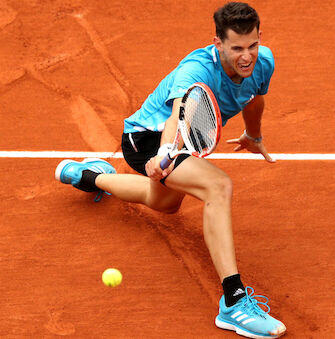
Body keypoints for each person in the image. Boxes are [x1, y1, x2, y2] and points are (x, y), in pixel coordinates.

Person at [55, 2, 286, 337]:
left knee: (163, 203)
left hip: (176, 143)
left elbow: (253, 98)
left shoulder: (263, 62)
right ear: (218, 43)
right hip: (146, 139)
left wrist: (254, 134)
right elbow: (179, 115)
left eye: (252, 45)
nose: (246, 56)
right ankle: (234, 302)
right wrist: (164, 154)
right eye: (236, 48)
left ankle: (89, 176)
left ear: (259, 38)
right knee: (217, 186)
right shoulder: (195, 70)